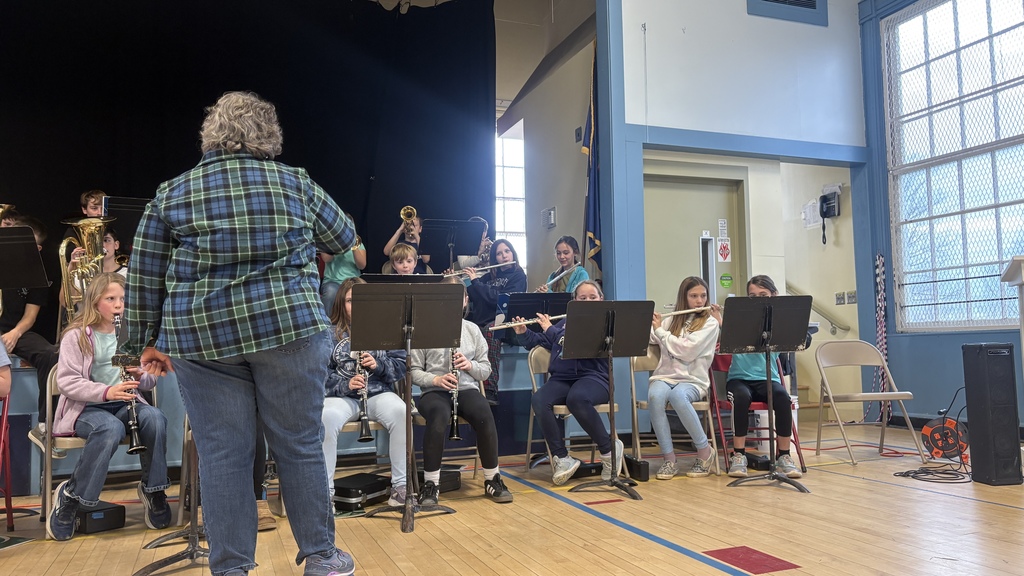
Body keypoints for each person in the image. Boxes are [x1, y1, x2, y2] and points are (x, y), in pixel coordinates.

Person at [125, 91, 357, 576]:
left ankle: (230, 568)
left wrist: (140, 344)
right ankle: (320, 557)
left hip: (204, 338)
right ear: (269, 136)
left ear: (211, 133)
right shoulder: (295, 182)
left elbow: (145, 276)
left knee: (223, 455)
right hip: (289, 328)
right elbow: (342, 239)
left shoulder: (172, 193)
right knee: (299, 443)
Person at [47, 273, 171, 541]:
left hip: (127, 403)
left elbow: (148, 383)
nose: (118, 305)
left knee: (155, 418)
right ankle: (71, 495)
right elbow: (67, 382)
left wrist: (139, 372)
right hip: (87, 408)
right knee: (109, 429)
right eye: (110, 299)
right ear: (94, 302)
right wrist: (106, 391)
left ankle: (154, 490)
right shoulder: (77, 336)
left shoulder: (126, 334)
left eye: (123, 299)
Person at [409, 277, 513, 505]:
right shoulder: (425, 329)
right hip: (434, 391)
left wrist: (469, 365)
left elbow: (485, 371)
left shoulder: (473, 330)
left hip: (464, 388)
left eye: (458, 297)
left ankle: (492, 478)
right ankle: (431, 484)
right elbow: (414, 371)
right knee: (438, 416)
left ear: (465, 301)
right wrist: (435, 379)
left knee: (484, 414)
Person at [514, 280, 622, 485]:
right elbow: (540, 341)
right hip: (563, 379)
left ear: (602, 299)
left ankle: (608, 451)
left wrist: (550, 330)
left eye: (593, 297)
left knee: (577, 398)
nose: (588, 301)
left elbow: (569, 341)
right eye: (583, 298)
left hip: (595, 378)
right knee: (539, 399)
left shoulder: (605, 324)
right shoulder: (563, 322)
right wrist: (523, 333)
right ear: (574, 302)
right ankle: (562, 458)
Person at [322, 277, 408, 507]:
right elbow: (318, 376)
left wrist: (377, 365)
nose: (356, 305)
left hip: (378, 393)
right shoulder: (328, 334)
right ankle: (325, 493)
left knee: (401, 411)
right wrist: (345, 385)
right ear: (341, 303)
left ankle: (401, 487)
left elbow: (399, 368)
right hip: (342, 397)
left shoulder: (385, 330)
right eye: (351, 300)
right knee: (326, 418)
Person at [725, 274, 801, 479]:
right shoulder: (738, 318)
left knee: (783, 399)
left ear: (773, 295)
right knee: (741, 397)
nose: (758, 298)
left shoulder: (778, 321)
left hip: (768, 380)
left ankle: (783, 455)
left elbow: (805, 338)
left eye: (763, 294)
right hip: (738, 380)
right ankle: (739, 455)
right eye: (752, 295)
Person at [647, 277, 722, 480]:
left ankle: (705, 452)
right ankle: (669, 459)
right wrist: (651, 324)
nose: (699, 301)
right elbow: (653, 336)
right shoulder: (673, 319)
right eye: (694, 296)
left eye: (703, 296)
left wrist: (661, 332)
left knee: (679, 397)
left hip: (693, 381)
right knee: (655, 397)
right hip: (665, 376)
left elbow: (687, 351)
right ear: (684, 297)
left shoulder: (710, 323)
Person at [1, 215, 60, 448]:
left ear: (37, 248)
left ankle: (46, 425)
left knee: (51, 354)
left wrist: (15, 333)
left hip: (16, 330)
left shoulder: (37, 274)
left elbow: (30, 316)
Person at [464, 239, 526, 403]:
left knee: (491, 331)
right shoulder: (487, 276)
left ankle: (490, 390)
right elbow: (470, 294)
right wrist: (456, 279)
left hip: (507, 323)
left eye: (507, 251)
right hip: (483, 321)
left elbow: (497, 299)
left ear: (512, 253)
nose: (504, 256)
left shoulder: (518, 276)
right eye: (499, 253)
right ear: (495, 258)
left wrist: (476, 281)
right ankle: (468, 388)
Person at [62, 225, 129, 309]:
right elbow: (65, 303)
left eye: (106, 240)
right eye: (96, 241)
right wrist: (71, 269)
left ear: (116, 245)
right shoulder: (82, 272)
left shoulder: (128, 274)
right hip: (86, 321)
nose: (102, 245)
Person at [319, 215, 366, 311]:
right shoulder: (327, 242)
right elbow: (326, 259)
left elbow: (362, 265)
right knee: (330, 292)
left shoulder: (358, 243)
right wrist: (336, 243)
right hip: (332, 282)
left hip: (353, 281)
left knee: (365, 293)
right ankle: (326, 324)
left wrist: (354, 247)